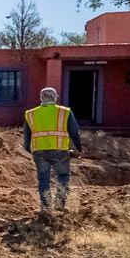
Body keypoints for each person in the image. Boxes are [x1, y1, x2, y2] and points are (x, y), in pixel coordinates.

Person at [22, 86, 82, 216]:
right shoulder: (64, 112)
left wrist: (27, 149)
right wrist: (78, 149)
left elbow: (26, 135)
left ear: (41, 97)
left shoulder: (31, 113)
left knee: (44, 179)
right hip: (59, 150)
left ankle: (45, 207)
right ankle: (59, 205)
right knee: (63, 176)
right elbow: (74, 132)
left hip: (39, 151)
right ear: (55, 97)